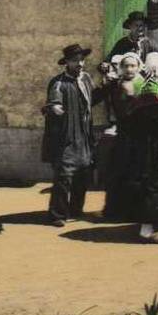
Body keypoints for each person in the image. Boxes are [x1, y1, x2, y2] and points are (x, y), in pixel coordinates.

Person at [103, 51, 158, 243]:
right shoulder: (151, 89)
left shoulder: (150, 86)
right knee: (156, 180)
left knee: (156, 180)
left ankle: (154, 224)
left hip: (155, 140)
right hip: (154, 143)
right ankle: (148, 228)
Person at [40, 43, 106, 227]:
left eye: (82, 60)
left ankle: (76, 210)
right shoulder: (58, 83)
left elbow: (92, 100)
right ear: (67, 62)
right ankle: (57, 215)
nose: (80, 64)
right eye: (75, 60)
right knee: (64, 176)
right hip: (66, 136)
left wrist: (106, 87)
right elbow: (52, 103)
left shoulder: (85, 79)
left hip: (84, 135)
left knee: (83, 174)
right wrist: (55, 108)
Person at [100, 11, 158, 134]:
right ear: (130, 27)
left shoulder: (150, 43)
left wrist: (154, 67)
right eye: (136, 25)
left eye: (142, 26)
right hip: (126, 79)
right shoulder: (122, 43)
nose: (140, 28)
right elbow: (109, 59)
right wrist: (105, 65)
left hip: (144, 80)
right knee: (110, 85)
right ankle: (115, 121)